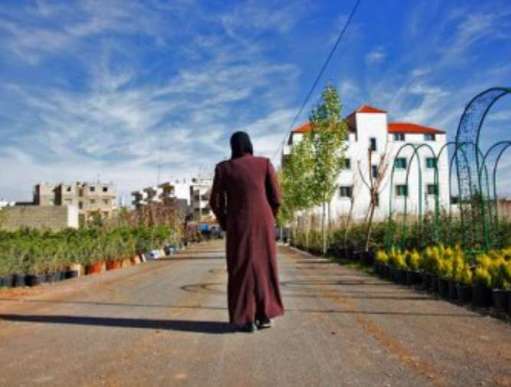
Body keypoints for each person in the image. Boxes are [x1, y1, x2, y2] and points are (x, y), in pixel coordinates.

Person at [209, 131, 284, 332]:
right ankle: (265, 315)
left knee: (240, 267)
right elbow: (276, 198)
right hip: (263, 223)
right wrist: (270, 218)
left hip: (237, 223)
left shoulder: (224, 168)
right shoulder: (265, 164)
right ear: (250, 145)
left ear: (232, 146)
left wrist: (226, 222)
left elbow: (215, 202)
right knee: (264, 266)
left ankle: (246, 319)